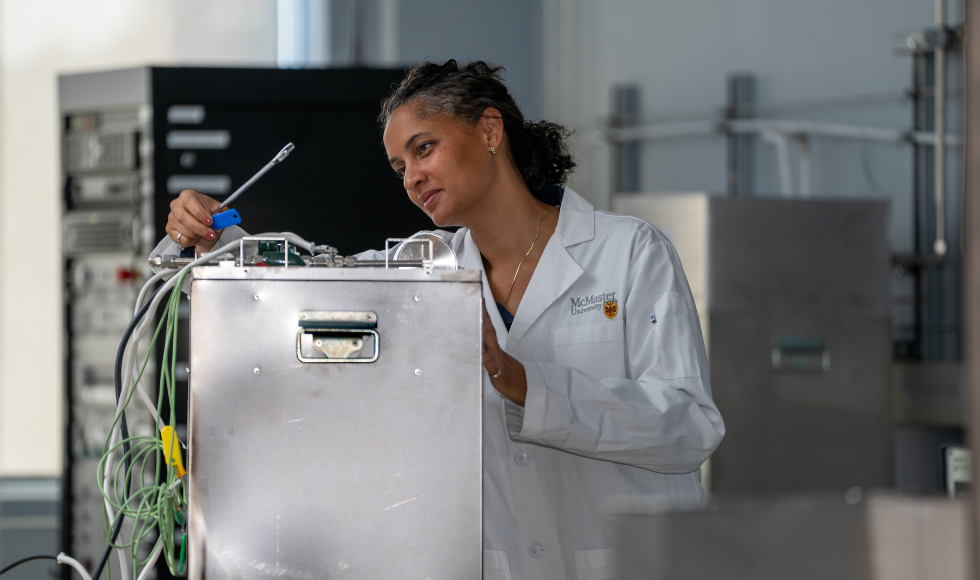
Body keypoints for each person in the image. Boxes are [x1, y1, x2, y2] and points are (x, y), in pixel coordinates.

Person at [154, 60, 725, 580]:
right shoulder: (424, 273)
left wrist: (519, 380)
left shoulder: (629, 253)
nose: (411, 179)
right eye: (399, 166)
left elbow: (690, 428)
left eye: (424, 149)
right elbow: (307, 281)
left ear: (489, 131)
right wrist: (216, 237)